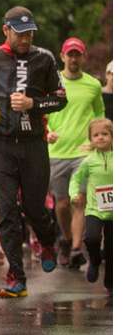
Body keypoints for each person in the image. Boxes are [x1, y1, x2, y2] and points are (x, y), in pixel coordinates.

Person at [0, 6, 67, 298]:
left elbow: (61, 100)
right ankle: (16, 276)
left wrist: (33, 105)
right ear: (6, 30)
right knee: (7, 211)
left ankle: (48, 241)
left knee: (36, 208)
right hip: (0, 143)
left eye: (30, 34)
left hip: (33, 144)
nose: (26, 39)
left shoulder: (45, 58)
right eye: (20, 34)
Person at [46, 37, 104, 269]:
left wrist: (95, 142)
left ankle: (77, 249)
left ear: (84, 57)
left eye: (77, 54)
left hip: (82, 153)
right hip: (57, 152)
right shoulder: (52, 83)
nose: (73, 58)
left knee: (78, 200)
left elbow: (99, 118)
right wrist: (46, 131)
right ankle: (67, 241)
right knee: (61, 204)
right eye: (69, 54)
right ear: (62, 57)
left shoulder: (93, 85)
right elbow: (42, 114)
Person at [69, 118, 112, 297]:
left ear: (112, 136)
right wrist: (74, 194)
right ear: (91, 139)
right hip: (95, 210)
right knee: (92, 239)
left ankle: (110, 284)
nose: (100, 138)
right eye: (96, 135)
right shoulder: (88, 161)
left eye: (105, 134)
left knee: (112, 249)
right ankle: (94, 260)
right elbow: (76, 179)